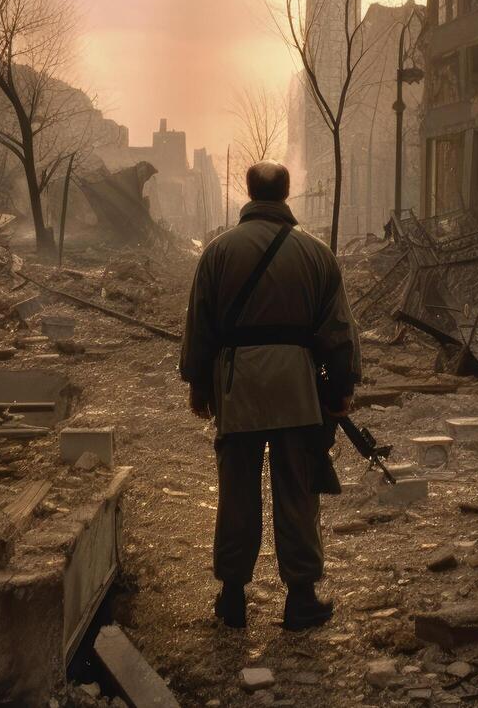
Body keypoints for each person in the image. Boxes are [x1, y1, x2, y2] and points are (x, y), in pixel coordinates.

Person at [179, 161, 360, 631]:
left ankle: (233, 597)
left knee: (237, 491)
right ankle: (301, 597)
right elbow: (338, 331)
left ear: (248, 191)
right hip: (296, 389)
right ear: (286, 192)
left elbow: (199, 326)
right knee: (297, 492)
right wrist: (340, 388)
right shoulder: (316, 254)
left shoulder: (218, 253)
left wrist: (199, 383)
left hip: (238, 387)